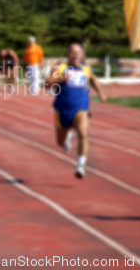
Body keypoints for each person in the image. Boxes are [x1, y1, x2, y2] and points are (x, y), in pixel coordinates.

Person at [45, 43, 106, 179]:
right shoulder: (60, 67)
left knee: (83, 134)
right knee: (59, 143)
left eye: (78, 52)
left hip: (81, 109)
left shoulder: (85, 68)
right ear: (67, 54)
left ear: (82, 55)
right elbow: (47, 84)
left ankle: (81, 165)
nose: (75, 55)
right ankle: (66, 137)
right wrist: (61, 79)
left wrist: (101, 93)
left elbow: (93, 79)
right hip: (62, 110)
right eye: (72, 52)